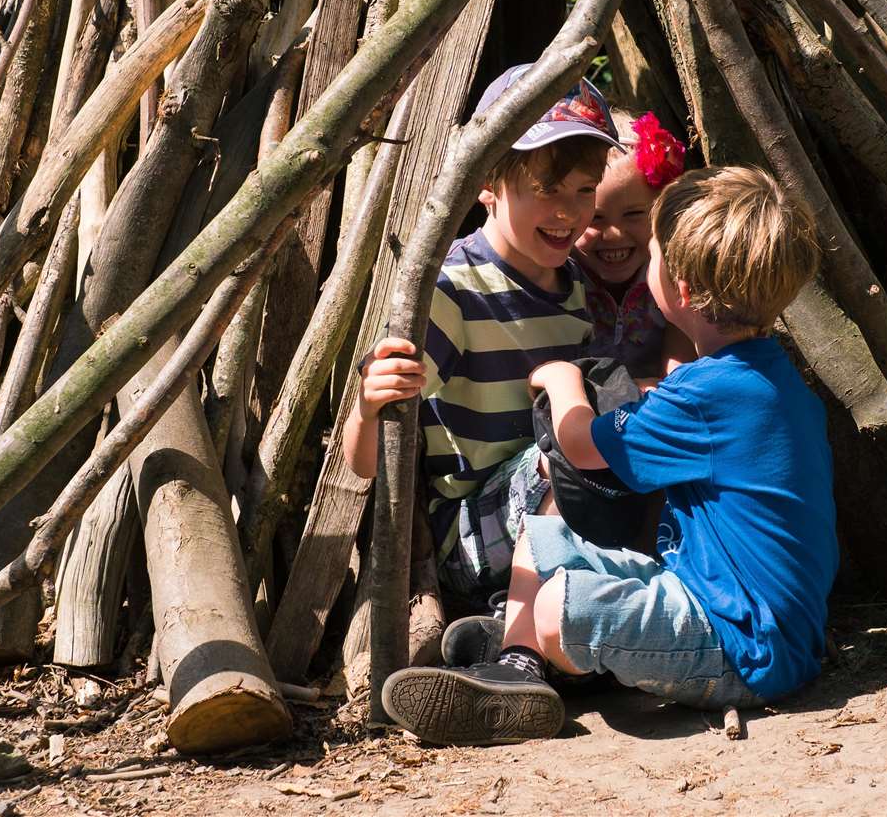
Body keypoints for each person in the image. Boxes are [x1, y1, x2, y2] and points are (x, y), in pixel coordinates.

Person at [379, 166, 836, 746]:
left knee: (559, 606)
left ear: (682, 291)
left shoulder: (703, 396)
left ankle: (534, 648)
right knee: (545, 542)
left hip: (744, 649)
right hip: (718, 601)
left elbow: (581, 448)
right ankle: (516, 667)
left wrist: (563, 379)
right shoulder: (767, 380)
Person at [343, 64, 622, 601]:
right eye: (545, 190)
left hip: (567, 515)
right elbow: (363, 463)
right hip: (472, 535)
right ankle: (520, 632)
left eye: (585, 190)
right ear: (487, 186)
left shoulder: (580, 290)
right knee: (565, 450)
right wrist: (369, 407)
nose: (568, 212)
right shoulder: (453, 292)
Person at [573, 109, 697, 378]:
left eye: (633, 214)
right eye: (595, 218)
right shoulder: (559, 274)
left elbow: (680, 368)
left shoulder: (673, 272)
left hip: (657, 406)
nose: (615, 234)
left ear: (660, 208)